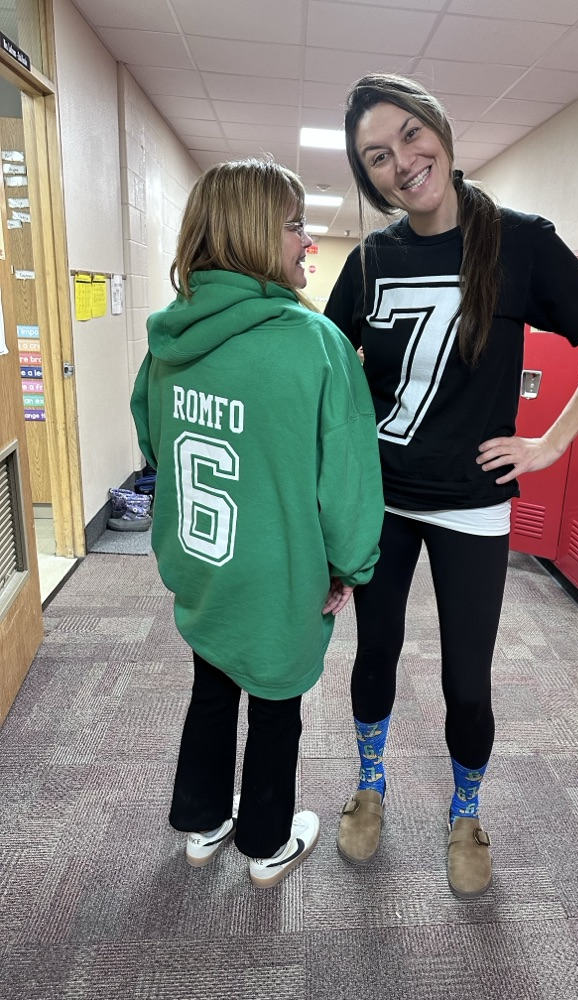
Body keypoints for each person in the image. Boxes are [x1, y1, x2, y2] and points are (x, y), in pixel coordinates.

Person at [324, 74, 578, 900]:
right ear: (369, 178)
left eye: (411, 135)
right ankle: (370, 784)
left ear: (442, 130)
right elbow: (323, 374)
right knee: (375, 653)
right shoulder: (371, 259)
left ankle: (466, 812)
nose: (403, 162)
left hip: (472, 505)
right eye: (378, 157)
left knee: (468, 676)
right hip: (385, 499)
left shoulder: (520, 242)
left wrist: (550, 444)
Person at [130, 158, 383, 889]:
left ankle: (204, 824)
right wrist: (350, 567)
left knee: (211, 686)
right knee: (276, 708)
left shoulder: (166, 341)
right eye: (296, 223)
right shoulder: (315, 344)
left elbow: (152, 442)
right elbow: (348, 484)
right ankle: (268, 843)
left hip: (203, 561)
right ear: (248, 233)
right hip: (279, 572)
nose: (307, 242)